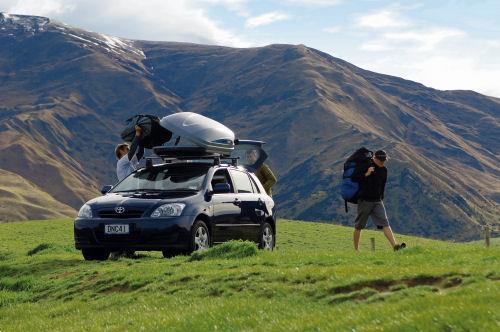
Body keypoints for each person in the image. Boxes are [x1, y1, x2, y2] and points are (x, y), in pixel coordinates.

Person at [351, 150, 405, 251]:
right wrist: (366, 174)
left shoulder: (384, 170)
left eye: (384, 160)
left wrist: (381, 198)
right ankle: (356, 250)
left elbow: (382, 185)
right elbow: (354, 178)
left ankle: (395, 246)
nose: (383, 162)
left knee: (385, 223)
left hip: (377, 201)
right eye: (381, 160)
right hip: (365, 201)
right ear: (375, 158)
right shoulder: (366, 166)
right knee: (359, 226)